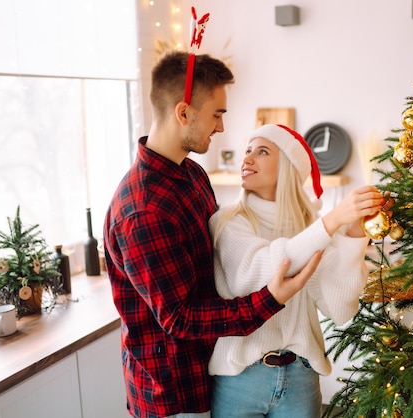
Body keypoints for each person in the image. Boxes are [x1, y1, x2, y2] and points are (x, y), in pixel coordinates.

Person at [103, 51, 322, 418]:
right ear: (183, 112)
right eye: (217, 114)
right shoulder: (143, 211)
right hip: (172, 394)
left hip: (210, 376)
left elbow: (219, 267)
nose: (221, 127)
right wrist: (270, 298)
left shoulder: (192, 174)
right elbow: (181, 318)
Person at [208, 124, 387, 417]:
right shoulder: (228, 221)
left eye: (262, 151)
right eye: (247, 151)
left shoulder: (310, 228)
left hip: (301, 378)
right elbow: (262, 270)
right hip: (241, 379)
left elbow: (339, 308)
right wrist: (332, 221)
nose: (247, 159)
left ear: (290, 167)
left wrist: (354, 234)